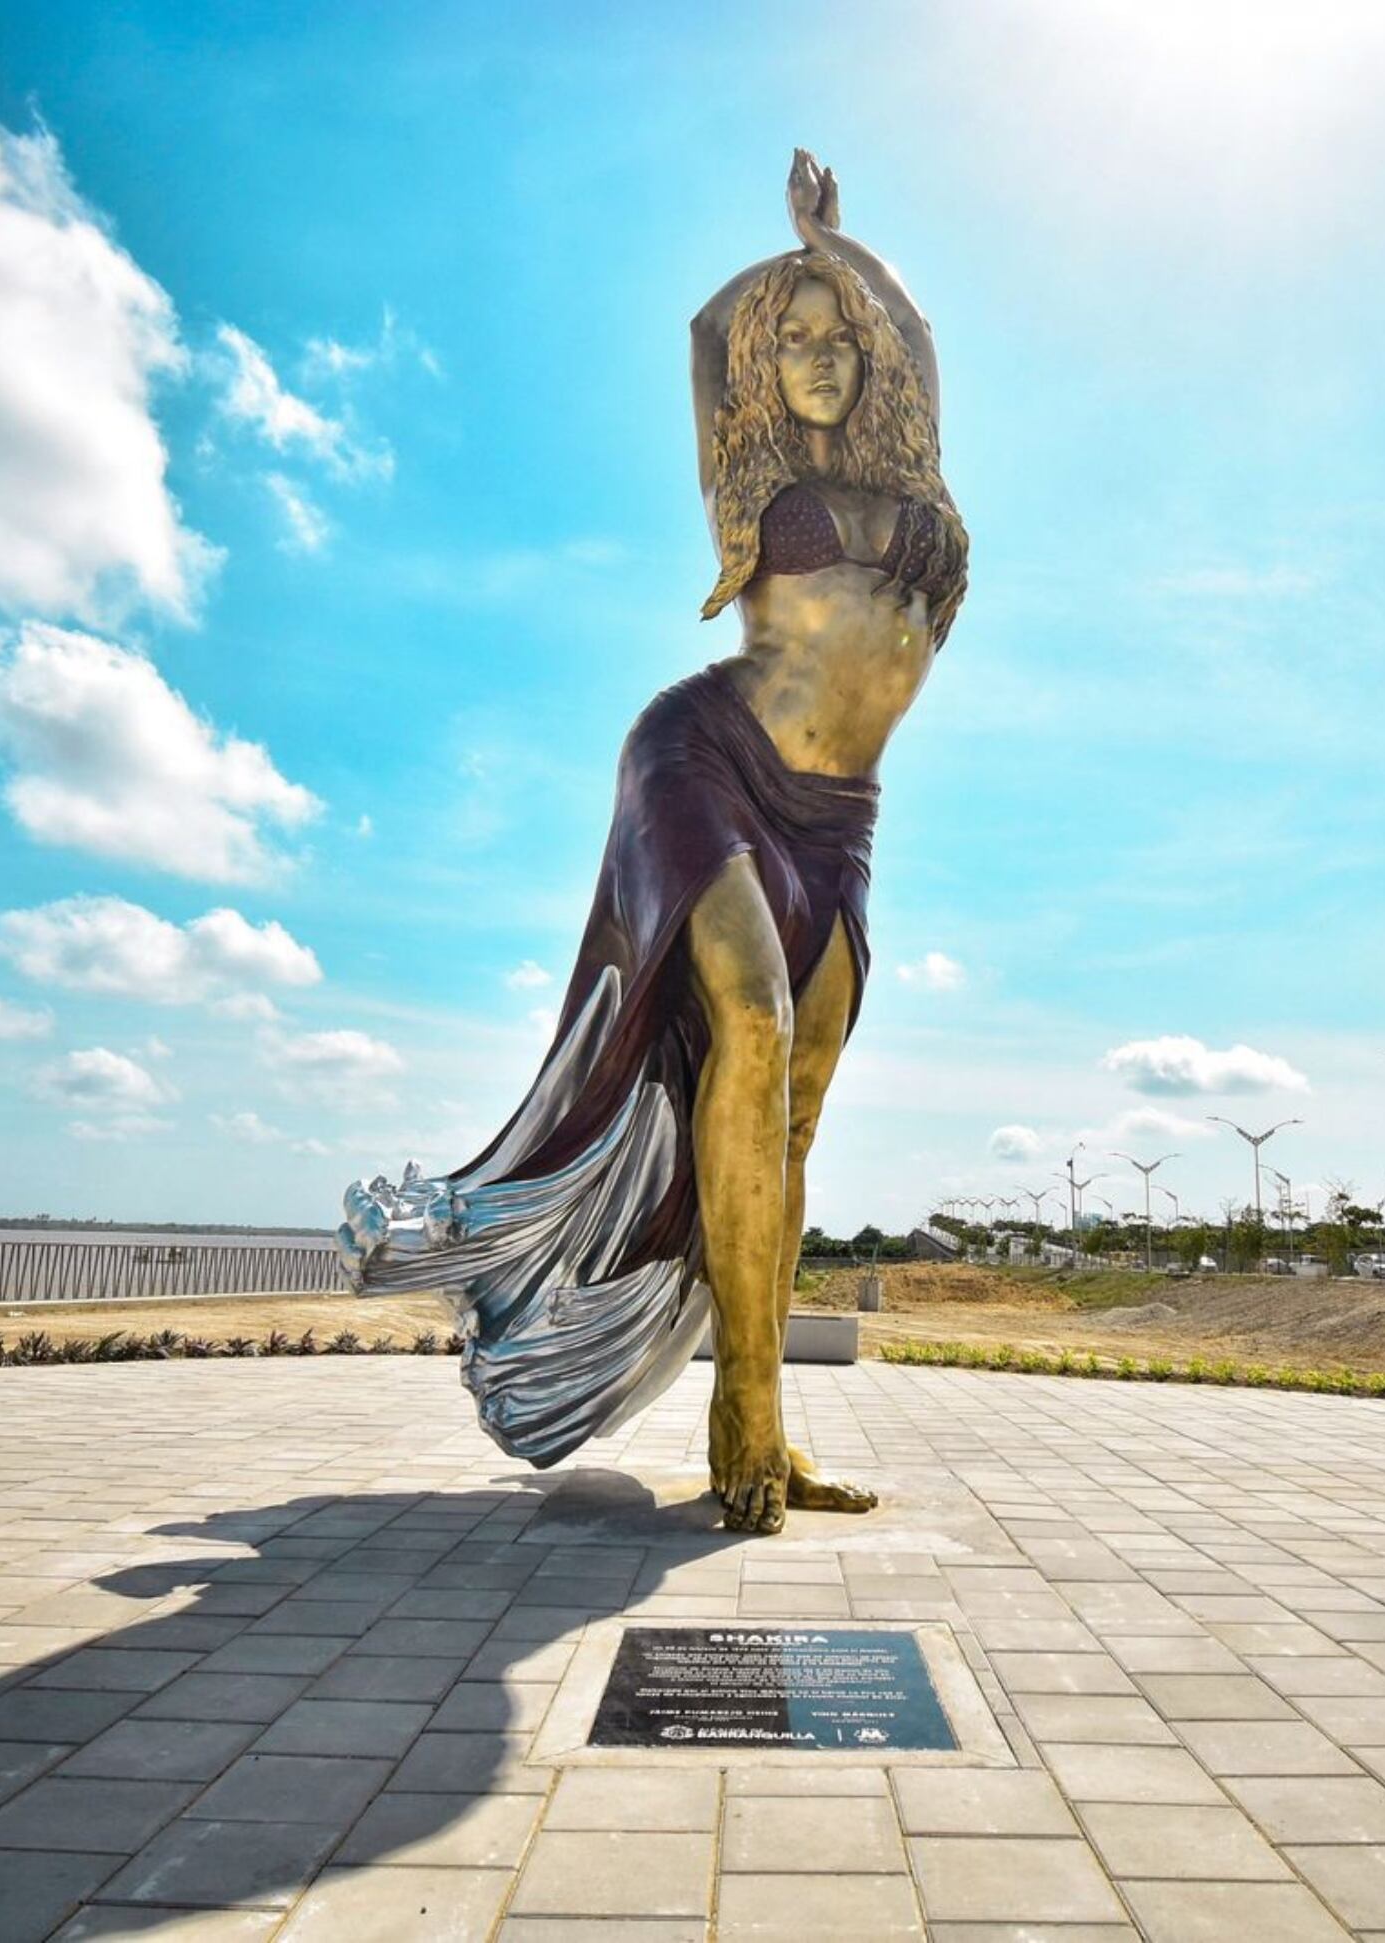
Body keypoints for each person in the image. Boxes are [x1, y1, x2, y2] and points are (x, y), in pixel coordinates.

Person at [340, 152, 965, 1534]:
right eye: (792, 336)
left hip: (839, 825)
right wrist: (791, 260)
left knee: (790, 1116)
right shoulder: (755, 485)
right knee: (744, 1017)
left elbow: (920, 345)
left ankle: (763, 1410)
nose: (816, 354)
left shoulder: (914, 480)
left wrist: (846, 251)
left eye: (835, 337)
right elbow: (705, 336)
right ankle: (741, 1427)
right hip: (702, 760)